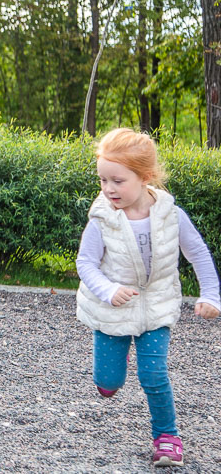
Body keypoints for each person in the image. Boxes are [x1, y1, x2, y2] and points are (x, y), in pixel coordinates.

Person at [76, 128, 220, 467]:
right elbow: (85, 263)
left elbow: (197, 253)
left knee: (153, 374)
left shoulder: (171, 215)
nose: (108, 189)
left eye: (117, 181)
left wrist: (212, 294)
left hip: (156, 306)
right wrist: (109, 290)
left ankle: (166, 437)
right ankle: (115, 365)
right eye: (102, 181)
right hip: (114, 309)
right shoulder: (102, 220)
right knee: (107, 382)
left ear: (145, 177)